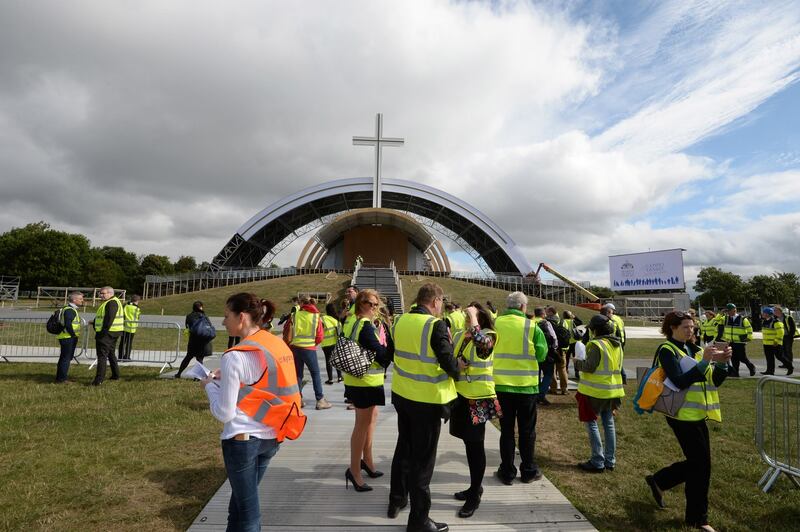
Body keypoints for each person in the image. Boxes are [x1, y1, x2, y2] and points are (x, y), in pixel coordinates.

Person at [201, 292, 306, 532]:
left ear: (243, 317)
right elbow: (264, 383)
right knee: (239, 508)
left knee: (248, 516)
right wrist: (227, 376)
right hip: (271, 437)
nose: (223, 321)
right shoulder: (274, 344)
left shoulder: (235, 355)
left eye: (227, 316)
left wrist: (209, 388)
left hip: (242, 441)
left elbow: (224, 413)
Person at [388, 282, 467, 532]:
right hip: (428, 401)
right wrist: (460, 364)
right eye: (441, 303)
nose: (441, 307)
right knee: (423, 462)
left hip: (403, 395)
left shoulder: (400, 321)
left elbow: (393, 353)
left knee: (404, 449)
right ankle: (420, 520)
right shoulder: (435, 325)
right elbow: (450, 365)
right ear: (435, 301)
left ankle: (397, 499)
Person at [645, 311, 731, 532]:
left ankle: (659, 481)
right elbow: (680, 381)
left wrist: (722, 363)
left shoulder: (696, 349)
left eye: (692, 327)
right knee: (701, 465)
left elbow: (714, 380)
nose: (691, 330)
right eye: (685, 327)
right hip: (680, 416)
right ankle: (697, 519)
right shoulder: (667, 350)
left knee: (698, 464)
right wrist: (704, 363)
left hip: (697, 414)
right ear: (672, 328)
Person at [493, 292, 548, 486]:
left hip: (500, 386)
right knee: (527, 431)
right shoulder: (532, 326)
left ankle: (507, 472)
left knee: (506, 431)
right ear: (524, 307)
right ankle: (528, 470)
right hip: (526, 388)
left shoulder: (495, 324)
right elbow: (541, 355)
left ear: (508, 306)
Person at [343, 289, 395, 492]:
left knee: (371, 420)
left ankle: (367, 462)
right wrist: (389, 346)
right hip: (363, 382)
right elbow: (382, 355)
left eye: (376, 304)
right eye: (370, 304)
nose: (374, 308)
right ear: (360, 303)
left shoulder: (351, 321)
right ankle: (354, 470)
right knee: (362, 425)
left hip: (364, 380)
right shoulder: (364, 326)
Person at [449, 305, 496, 519]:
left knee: (476, 446)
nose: (466, 319)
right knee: (468, 443)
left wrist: (474, 317)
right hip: (461, 395)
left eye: (470, 316)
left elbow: (483, 346)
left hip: (478, 398)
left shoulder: (488, 334)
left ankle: (475, 494)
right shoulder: (463, 334)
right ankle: (473, 487)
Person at [573, 314, 624, 473]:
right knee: (609, 424)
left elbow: (589, 366)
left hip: (595, 391)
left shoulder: (595, 344)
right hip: (613, 390)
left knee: (591, 423)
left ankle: (597, 460)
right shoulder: (617, 344)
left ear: (595, 330)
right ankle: (610, 460)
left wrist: (577, 363)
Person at [284, 296, 331, 410]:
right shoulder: (316, 316)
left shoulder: (294, 315)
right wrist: (313, 343)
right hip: (309, 348)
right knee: (315, 374)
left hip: (295, 347)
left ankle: (298, 399)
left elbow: (286, 330)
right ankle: (320, 400)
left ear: (301, 303)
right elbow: (320, 336)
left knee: (298, 374)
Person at [91, 286, 123, 386]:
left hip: (107, 333)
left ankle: (99, 380)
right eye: (100, 293)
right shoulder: (114, 301)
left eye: (103, 293)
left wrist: (102, 332)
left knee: (102, 356)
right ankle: (115, 375)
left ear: (110, 293)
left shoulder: (111, 303)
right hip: (114, 332)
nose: (101, 295)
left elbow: (109, 319)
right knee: (110, 353)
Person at [176, 301, 214, 379]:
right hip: (204, 340)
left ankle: (179, 373)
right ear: (200, 307)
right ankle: (197, 377)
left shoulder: (189, 316)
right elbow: (209, 326)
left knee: (188, 357)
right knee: (199, 359)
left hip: (193, 340)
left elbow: (187, 328)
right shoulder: (204, 316)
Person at [718, 303, 755, 377]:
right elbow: (716, 321)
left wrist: (749, 337)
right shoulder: (725, 318)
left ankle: (751, 367)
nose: (728, 312)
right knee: (734, 358)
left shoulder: (743, 319)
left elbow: (749, 328)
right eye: (727, 311)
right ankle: (735, 373)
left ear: (734, 310)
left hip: (740, 342)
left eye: (729, 310)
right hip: (730, 342)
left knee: (742, 357)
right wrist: (720, 314)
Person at [55, 291, 84, 383]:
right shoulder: (70, 310)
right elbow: (68, 324)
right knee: (65, 359)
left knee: (64, 358)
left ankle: (61, 377)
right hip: (68, 337)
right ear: (74, 300)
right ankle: (62, 379)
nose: (82, 300)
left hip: (66, 337)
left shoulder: (70, 309)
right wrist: (73, 335)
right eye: (80, 299)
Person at [533, 307, 558, 406]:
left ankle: (535, 394)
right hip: (546, 353)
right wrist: (554, 349)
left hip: (533, 353)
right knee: (548, 374)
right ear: (543, 314)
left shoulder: (530, 322)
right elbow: (554, 337)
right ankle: (541, 394)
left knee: (536, 375)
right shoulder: (546, 323)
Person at [546, 306, 570, 396]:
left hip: (551, 349)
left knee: (552, 370)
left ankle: (553, 388)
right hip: (562, 350)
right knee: (562, 369)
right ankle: (564, 389)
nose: (545, 313)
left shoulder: (547, 322)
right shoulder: (563, 322)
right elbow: (567, 334)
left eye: (547, 311)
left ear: (551, 312)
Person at [760, 307, 791, 375]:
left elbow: (781, 332)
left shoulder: (776, 322)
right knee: (769, 358)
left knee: (779, 357)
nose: (762, 314)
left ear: (768, 314)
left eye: (764, 313)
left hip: (775, 343)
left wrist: (776, 341)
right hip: (766, 343)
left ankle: (790, 367)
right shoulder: (765, 321)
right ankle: (770, 371)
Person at [321, 303, 343, 384]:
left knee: (328, 361)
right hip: (335, 343)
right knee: (337, 360)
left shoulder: (323, 318)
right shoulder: (336, 320)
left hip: (326, 344)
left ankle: (330, 379)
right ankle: (340, 377)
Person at [118, 294, 141, 361]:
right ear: (137, 300)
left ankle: (120, 356)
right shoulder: (137, 308)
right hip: (132, 327)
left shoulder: (126, 306)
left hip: (124, 326)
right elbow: (138, 316)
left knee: (122, 342)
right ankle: (127, 356)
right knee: (129, 343)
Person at [774, 306, 796, 370]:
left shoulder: (788, 317)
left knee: (788, 350)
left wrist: (791, 335)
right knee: (782, 350)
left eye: (775, 310)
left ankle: (789, 364)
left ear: (779, 311)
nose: (774, 311)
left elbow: (793, 327)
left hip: (788, 336)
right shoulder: (775, 318)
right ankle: (785, 364)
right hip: (781, 336)